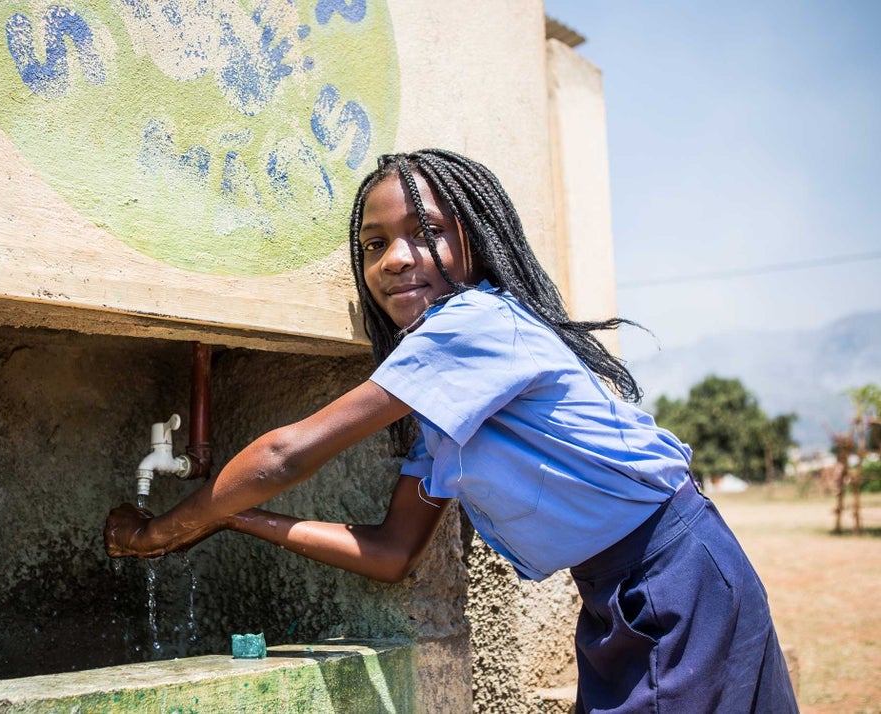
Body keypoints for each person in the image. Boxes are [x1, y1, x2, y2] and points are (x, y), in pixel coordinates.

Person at [105, 149, 798, 712]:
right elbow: (391, 551)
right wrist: (235, 519)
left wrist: (162, 531)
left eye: (426, 233)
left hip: (674, 576)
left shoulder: (474, 325)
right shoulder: (445, 414)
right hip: (619, 591)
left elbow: (286, 453)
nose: (396, 259)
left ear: (478, 240)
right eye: (375, 244)